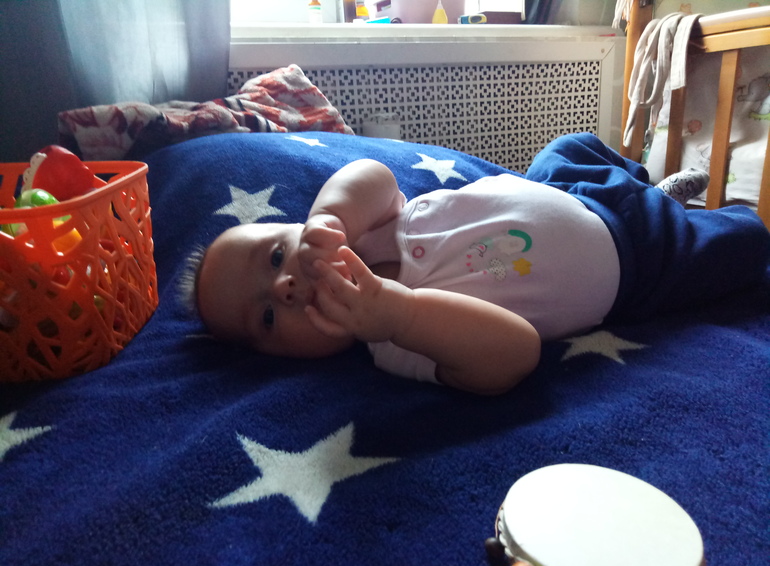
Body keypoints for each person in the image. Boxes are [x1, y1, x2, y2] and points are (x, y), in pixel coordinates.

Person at [187, 133, 770, 396]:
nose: (285, 286)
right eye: (267, 318)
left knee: (568, 145)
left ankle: (641, 180)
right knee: (744, 243)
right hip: (637, 257)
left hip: (564, 187)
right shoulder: (398, 346)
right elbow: (514, 352)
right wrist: (399, 314)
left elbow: (374, 175)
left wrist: (330, 216)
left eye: (275, 256)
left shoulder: (364, 225)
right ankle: (666, 203)